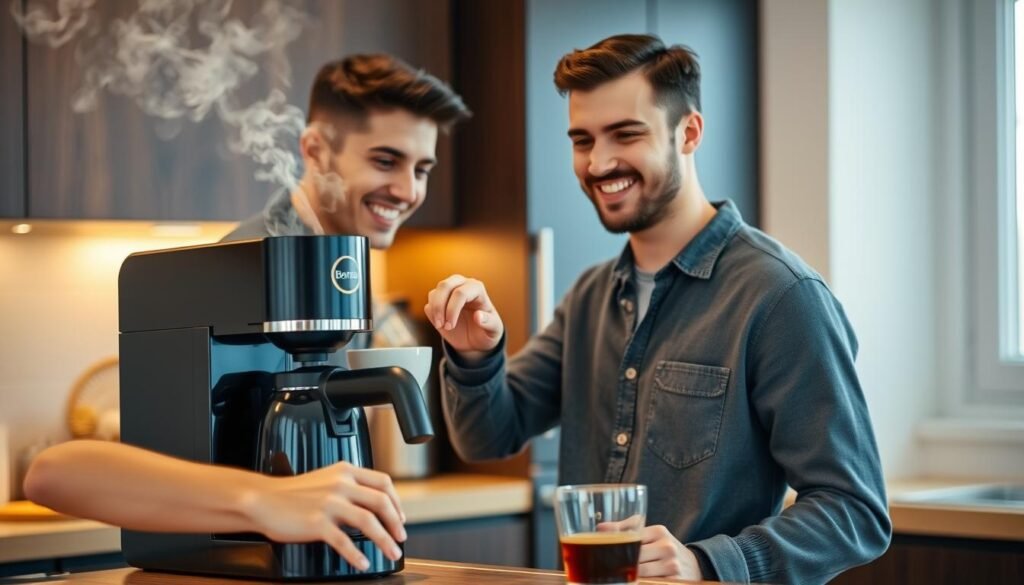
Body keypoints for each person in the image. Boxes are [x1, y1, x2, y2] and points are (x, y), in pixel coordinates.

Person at [425, 34, 890, 584]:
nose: (599, 162)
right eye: (582, 140)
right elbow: (486, 438)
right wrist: (474, 356)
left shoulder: (781, 296)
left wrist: (705, 563)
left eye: (626, 134)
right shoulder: (590, 296)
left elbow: (853, 510)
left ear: (688, 132)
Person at [24, 54, 470, 571]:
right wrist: (265, 499)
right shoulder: (241, 274)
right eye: (386, 161)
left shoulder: (341, 276)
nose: (409, 191)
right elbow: (57, 474)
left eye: (422, 170)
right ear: (315, 150)